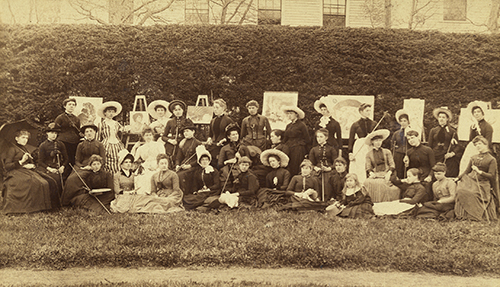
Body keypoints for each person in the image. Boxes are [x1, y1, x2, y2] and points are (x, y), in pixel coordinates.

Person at [1, 130, 58, 214]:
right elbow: (7, 166)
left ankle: (48, 207)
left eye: (26, 138)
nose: (25, 140)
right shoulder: (12, 149)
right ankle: (33, 208)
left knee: (49, 181)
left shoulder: (24, 148)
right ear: (16, 139)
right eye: (22, 137)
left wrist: (31, 163)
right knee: (34, 182)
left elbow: (30, 163)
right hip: (15, 172)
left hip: (27, 171)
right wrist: (21, 162)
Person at [454, 136, 498, 221]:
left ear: (485, 145)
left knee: (472, 193)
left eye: (480, 144)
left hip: (483, 183)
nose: (477, 146)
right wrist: (458, 178)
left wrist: (479, 171)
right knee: (461, 190)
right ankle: (463, 215)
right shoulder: (473, 157)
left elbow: (492, 176)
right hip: (471, 181)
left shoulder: (491, 159)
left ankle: (474, 215)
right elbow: (467, 171)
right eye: (476, 144)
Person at [62, 124, 106, 206]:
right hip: (82, 167)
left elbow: (103, 159)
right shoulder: (80, 145)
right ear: (84, 134)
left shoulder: (99, 144)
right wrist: (82, 167)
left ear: (95, 132)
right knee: (71, 179)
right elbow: (77, 160)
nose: (89, 133)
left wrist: (95, 167)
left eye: (91, 131)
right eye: (87, 132)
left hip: (96, 166)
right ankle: (68, 202)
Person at [363, 129, 400, 203]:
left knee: (388, 185)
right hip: (376, 174)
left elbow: (392, 164)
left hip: (387, 173)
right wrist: (371, 173)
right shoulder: (369, 154)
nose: (378, 143)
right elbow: (368, 167)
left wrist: (389, 173)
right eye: (376, 141)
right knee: (367, 182)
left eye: (380, 140)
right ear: (372, 142)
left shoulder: (387, 151)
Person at [182, 145, 221, 211]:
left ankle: (201, 205)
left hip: (212, 191)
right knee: (187, 198)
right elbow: (195, 184)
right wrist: (195, 191)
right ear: (199, 162)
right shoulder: (198, 171)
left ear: (209, 161)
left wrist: (208, 189)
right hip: (201, 192)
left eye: (206, 160)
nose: (205, 161)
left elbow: (217, 184)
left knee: (198, 198)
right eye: (203, 160)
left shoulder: (213, 171)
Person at [36, 123, 68, 198]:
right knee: (52, 180)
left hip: (59, 167)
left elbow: (66, 158)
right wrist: (50, 169)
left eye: (55, 133)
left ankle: (61, 199)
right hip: (47, 168)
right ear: (47, 133)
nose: (54, 135)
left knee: (62, 179)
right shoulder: (43, 145)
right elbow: (40, 161)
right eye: (51, 133)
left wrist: (62, 167)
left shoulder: (61, 144)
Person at [428, 107, 462, 177]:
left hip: (447, 156)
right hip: (436, 155)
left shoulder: (452, 131)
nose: (441, 119)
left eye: (443, 117)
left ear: (447, 119)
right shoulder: (433, 130)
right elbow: (429, 145)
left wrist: (452, 153)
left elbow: (458, 146)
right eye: (439, 117)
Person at [132, 127, 166, 195]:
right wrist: (134, 147)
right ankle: (142, 195)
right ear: (143, 136)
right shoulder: (141, 148)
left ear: (153, 135)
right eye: (146, 135)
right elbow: (133, 159)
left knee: (151, 176)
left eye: (150, 135)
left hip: (158, 165)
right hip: (145, 166)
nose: (148, 137)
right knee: (140, 176)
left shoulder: (159, 145)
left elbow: (163, 157)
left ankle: (151, 194)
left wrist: (157, 166)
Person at [218, 123, 250, 190]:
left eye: (236, 134)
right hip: (228, 168)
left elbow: (249, 162)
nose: (235, 136)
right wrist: (229, 161)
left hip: (242, 167)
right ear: (229, 137)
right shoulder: (224, 148)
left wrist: (240, 158)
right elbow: (220, 164)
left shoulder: (243, 147)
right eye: (233, 135)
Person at [308, 128, 338, 201]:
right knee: (314, 179)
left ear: (326, 138)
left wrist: (329, 168)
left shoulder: (331, 149)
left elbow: (336, 162)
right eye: (317, 137)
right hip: (317, 169)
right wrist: (315, 168)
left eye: (321, 137)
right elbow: (311, 163)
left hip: (329, 169)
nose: (319, 139)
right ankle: (317, 198)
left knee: (328, 179)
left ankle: (328, 198)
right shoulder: (313, 149)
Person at [54, 98, 81, 178]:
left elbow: (77, 131)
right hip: (63, 142)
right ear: (65, 106)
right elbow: (55, 130)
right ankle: (62, 179)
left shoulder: (77, 119)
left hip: (74, 143)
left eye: (73, 105)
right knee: (65, 161)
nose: (71, 106)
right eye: (69, 104)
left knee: (72, 161)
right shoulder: (60, 118)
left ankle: (69, 180)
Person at [282, 106, 310, 177]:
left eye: (291, 113)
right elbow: (285, 138)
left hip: (298, 149)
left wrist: (306, 150)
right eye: (288, 114)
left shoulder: (301, 125)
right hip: (289, 148)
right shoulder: (288, 125)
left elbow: (307, 139)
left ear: (296, 114)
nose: (289, 115)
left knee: (296, 166)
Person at [97, 101, 124, 174]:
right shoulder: (101, 124)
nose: (111, 113)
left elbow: (122, 131)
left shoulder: (116, 124)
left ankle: (117, 177)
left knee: (118, 159)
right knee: (107, 161)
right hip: (106, 144)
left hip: (117, 144)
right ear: (105, 113)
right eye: (109, 111)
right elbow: (98, 137)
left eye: (113, 112)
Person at [206, 99, 234, 167]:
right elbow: (210, 134)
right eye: (214, 108)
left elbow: (233, 135)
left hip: (224, 145)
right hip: (214, 144)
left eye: (217, 107)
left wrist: (224, 140)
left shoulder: (228, 120)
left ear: (223, 108)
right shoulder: (213, 120)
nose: (215, 109)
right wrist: (209, 139)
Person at [175, 125, 202, 194]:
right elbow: (178, 157)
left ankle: (184, 194)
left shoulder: (198, 143)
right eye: (184, 131)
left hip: (194, 166)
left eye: (187, 131)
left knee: (180, 176)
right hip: (183, 165)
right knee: (173, 174)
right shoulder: (182, 143)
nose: (185, 133)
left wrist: (190, 165)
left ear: (193, 132)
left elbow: (201, 159)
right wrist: (177, 165)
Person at [391, 109, 410, 179]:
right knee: (399, 171)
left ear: (408, 121)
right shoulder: (396, 133)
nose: (403, 123)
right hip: (398, 154)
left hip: (409, 154)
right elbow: (392, 145)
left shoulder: (411, 131)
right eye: (401, 121)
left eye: (405, 121)